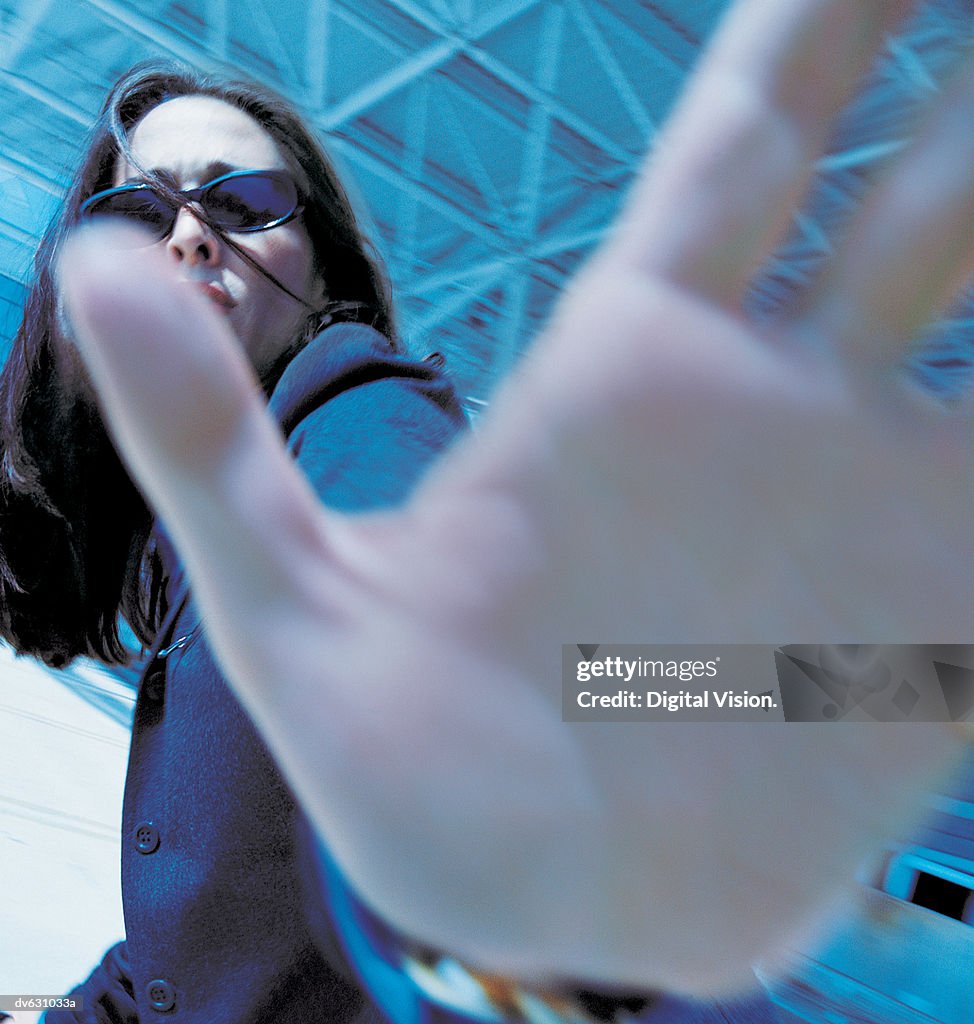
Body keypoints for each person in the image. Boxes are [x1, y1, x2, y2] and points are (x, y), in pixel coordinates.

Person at [10, 0, 974, 1019]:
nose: (191, 237)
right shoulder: (193, 539)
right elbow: (204, 940)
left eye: (244, 201)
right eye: (137, 215)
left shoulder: (359, 431)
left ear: (321, 268)